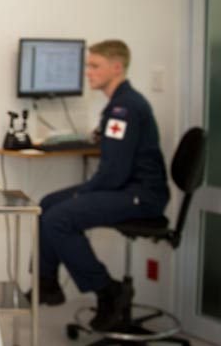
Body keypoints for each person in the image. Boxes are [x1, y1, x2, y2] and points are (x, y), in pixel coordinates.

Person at [32, 40, 169, 331]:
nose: (88, 72)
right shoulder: (119, 104)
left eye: (95, 66)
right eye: (88, 66)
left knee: (59, 218)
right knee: (45, 204)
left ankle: (108, 290)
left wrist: (84, 192)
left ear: (117, 67)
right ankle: (47, 284)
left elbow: (115, 173)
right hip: (123, 187)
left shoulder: (125, 108)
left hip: (140, 195)